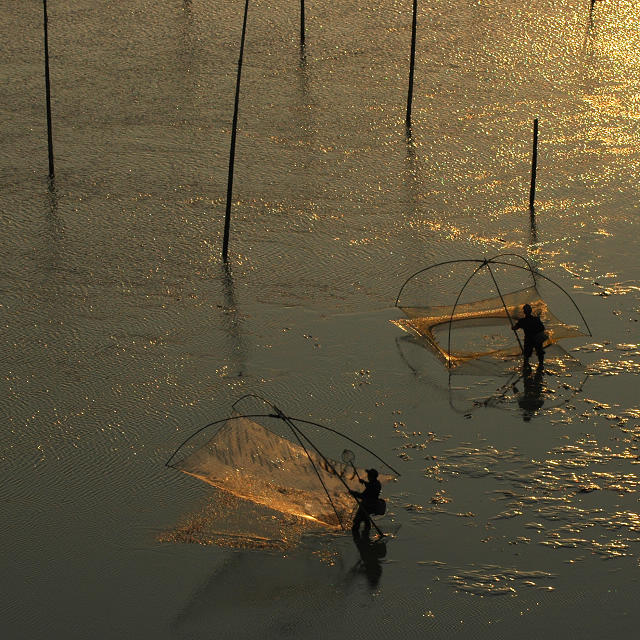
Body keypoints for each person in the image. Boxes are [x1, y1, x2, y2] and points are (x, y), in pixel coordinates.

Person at [512, 303, 546, 368]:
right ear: (531, 311)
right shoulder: (536, 319)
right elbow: (542, 328)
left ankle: (526, 366)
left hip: (528, 340)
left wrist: (513, 327)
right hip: (537, 339)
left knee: (527, 354)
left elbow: (515, 328)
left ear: (524, 312)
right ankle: (541, 365)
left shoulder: (522, 321)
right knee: (540, 353)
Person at [350, 468, 381, 537]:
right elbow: (370, 485)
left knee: (357, 521)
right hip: (372, 505)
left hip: (367, 506)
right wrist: (364, 482)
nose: (367, 476)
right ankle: (366, 535)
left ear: (371, 477)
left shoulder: (372, 486)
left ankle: (357, 538)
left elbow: (363, 496)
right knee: (366, 519)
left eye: (369, 475)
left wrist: (353, 493)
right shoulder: (377, 483)